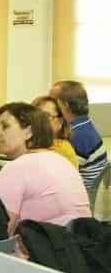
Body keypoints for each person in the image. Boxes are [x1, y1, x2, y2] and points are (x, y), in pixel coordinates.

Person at [0, 102, 90, 235]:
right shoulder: (60, 160)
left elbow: (0, 231)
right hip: (79, 247)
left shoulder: (16, 168)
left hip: (44, 251)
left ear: (28, 132)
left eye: (5, 126)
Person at [51, 80, 108, 212]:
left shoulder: (75, 135)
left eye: (52, 101)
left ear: (64, 105)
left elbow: (57, 175)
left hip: (76, 197)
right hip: (83, 189)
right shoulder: (85, 124)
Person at [31, 96, 79, 168]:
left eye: (46, 116)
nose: (39, 121)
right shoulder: (28, 143)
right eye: (35, 116)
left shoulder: (64, 150)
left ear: (60, 122)